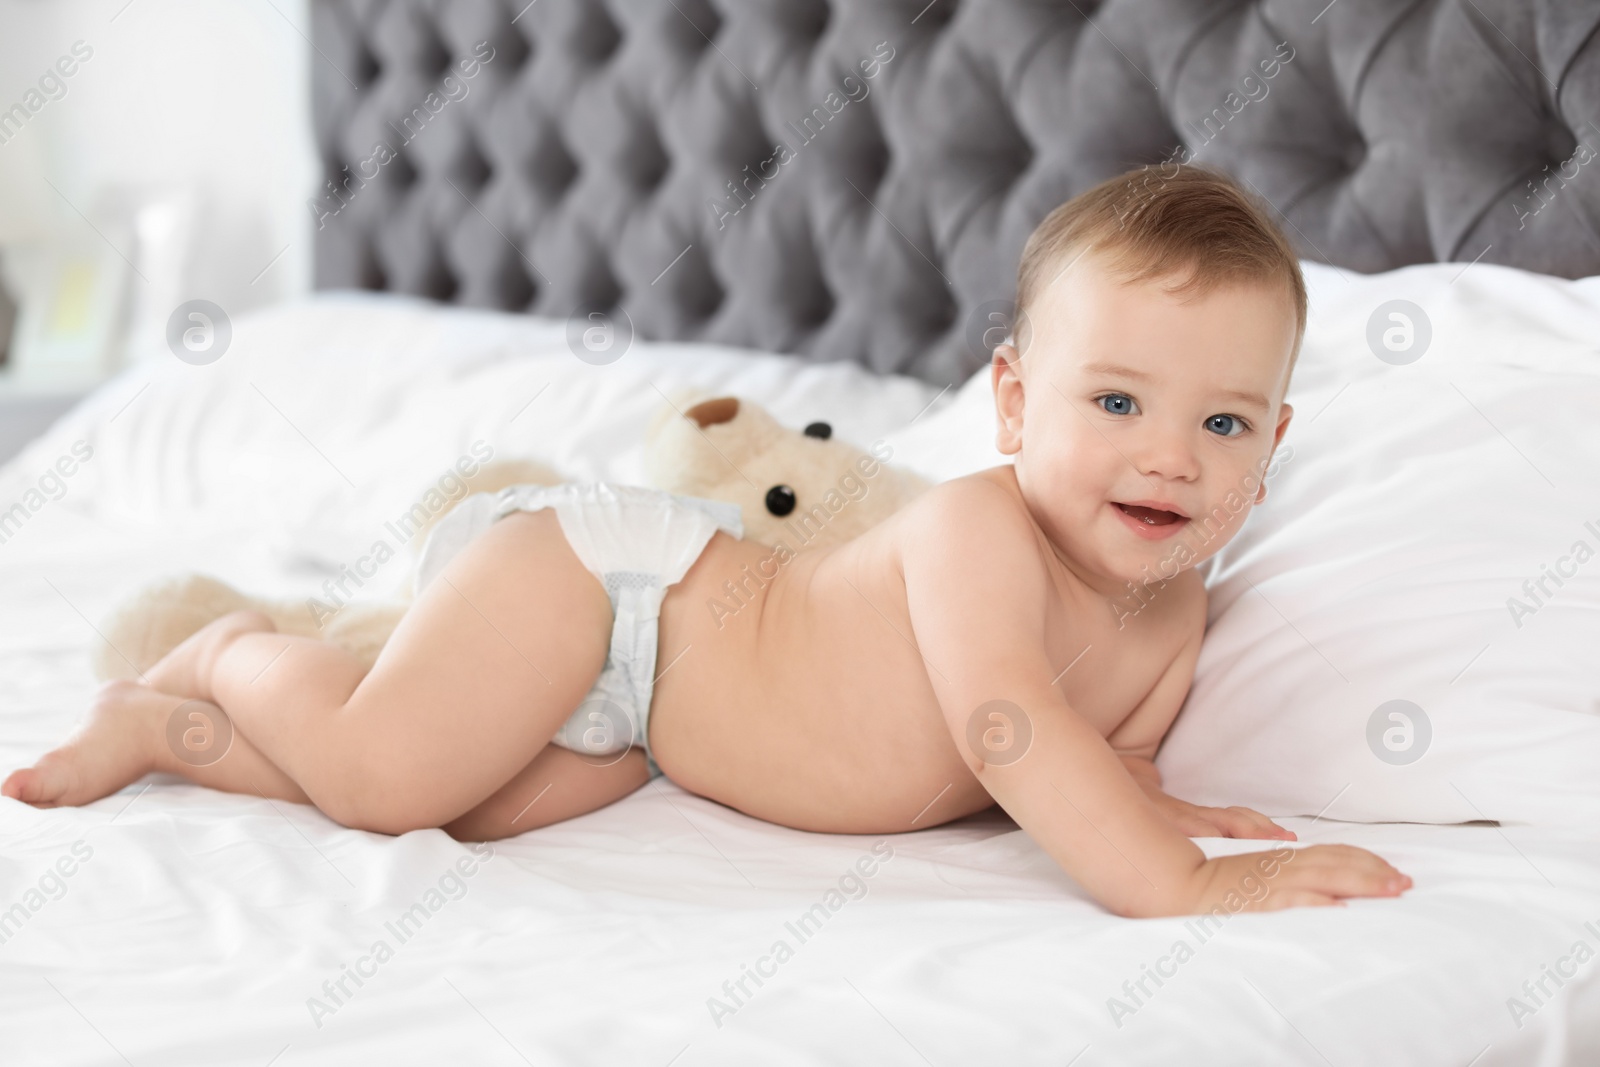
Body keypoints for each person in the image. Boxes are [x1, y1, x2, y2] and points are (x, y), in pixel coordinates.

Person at [3, 165, 1410, 918]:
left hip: (652, 728)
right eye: (1117, 402)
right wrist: (1181, 884)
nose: (1173, 456)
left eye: (1225, 426)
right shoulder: (980, 534)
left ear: (1273, 447)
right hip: (614, 589)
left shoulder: (1182, 606)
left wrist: (1159, 800)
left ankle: (156, 728)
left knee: (477, 806)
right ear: (1016, 404)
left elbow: (1113, 751)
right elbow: (1009, 730)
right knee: (385, 779)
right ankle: (239, 650)